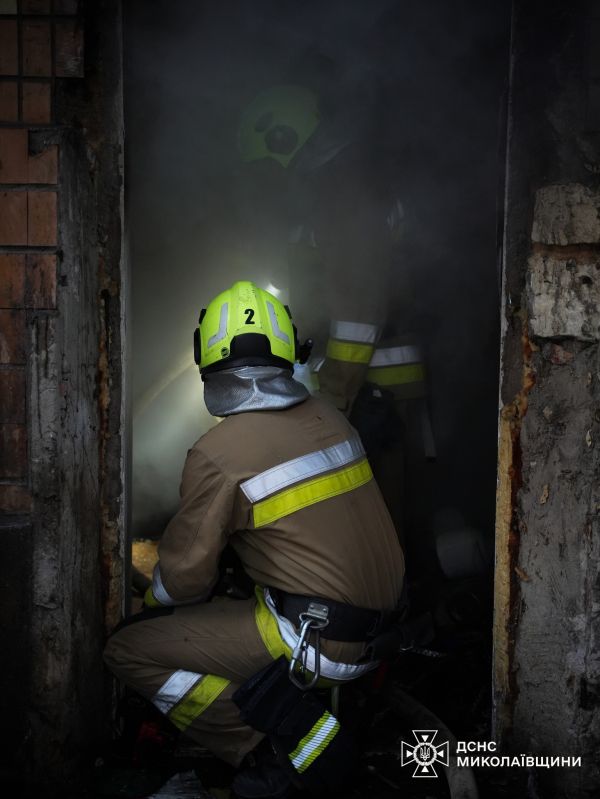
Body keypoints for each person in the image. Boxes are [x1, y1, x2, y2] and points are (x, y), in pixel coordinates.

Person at [104, 281, 405, 799]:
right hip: (386, 627)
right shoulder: (332, 419)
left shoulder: (217, 452)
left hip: (319, 640)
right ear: (292, 349)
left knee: (129, 649)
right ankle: (300, 715)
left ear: (206, 357)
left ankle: (277, 747)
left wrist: (149, 604)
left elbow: (185, 582)